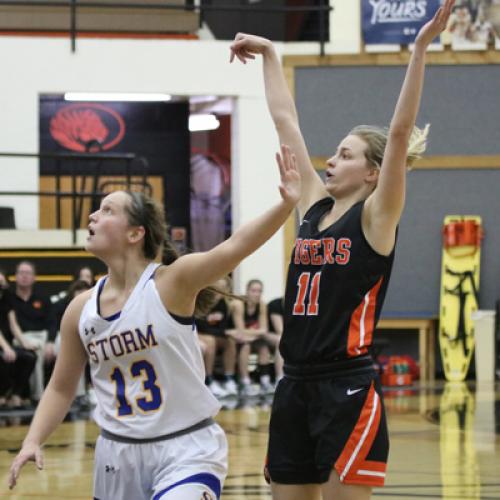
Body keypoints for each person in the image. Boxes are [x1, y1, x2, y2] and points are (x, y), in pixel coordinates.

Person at [229, 1, 454, 499]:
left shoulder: (375, 217)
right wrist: (269, 53)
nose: (330, 160)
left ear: (373, 172)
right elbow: (285, 120)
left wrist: (419, 49)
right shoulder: (313, 207)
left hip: (345, 387)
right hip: (293, 385)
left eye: (345, 155)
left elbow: (397, 135)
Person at [8, 143, 301, 500]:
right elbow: (60, 387)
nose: (93, 217)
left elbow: (234, 246)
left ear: (135, 233)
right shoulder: (80, 309)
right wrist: (32, 440)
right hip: (116, 455)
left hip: (186, 449)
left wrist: (286, 205)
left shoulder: (171, 283)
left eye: (107, 210)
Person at [11, 261, 57, 402]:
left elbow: (52, 322)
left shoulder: (43, 297)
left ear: (34, 277)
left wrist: (50, 341)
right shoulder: (9, 298)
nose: (24, 276)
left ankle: (76, 395)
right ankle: (38, 396)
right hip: (21, 337)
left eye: (28, 273)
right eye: (21, 273)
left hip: (43, 335)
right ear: (16, 276)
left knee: (67, 347)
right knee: (35, 351)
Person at [230, 279, 276, 396]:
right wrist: (254, 332)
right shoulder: (238, 304)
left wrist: (250, 333)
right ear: (247, 291)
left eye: (259, 291)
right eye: (253, 290)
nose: (257, 294)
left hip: (251, 338)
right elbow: (240, 330)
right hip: (232, 336)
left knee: (263, 347)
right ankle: (245, 381)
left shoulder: (262, 305)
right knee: (245, 346)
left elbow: (264, 329)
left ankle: (265, 381)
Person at [196, 276, 238, 398]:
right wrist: (224, 333)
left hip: (213, 334)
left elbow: (223, 326)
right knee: (211, 341)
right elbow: (201, 325)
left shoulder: (224, 304)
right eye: (217, 289)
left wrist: (228, 333)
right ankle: (209, 380)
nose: (220, 293)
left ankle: (229, 379)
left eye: (223, 289)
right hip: (198, 333)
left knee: (230, 341)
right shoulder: (202, 301)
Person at [0, 269, 37, 409]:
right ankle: (2, 395)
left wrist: (25, 343)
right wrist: (6, 348)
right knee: (3, 359)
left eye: (2, 283)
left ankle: (16, 393)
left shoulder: (7, 298)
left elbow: (13, 325)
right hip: (2, 345)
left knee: (29, 357)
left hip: (6, 344)